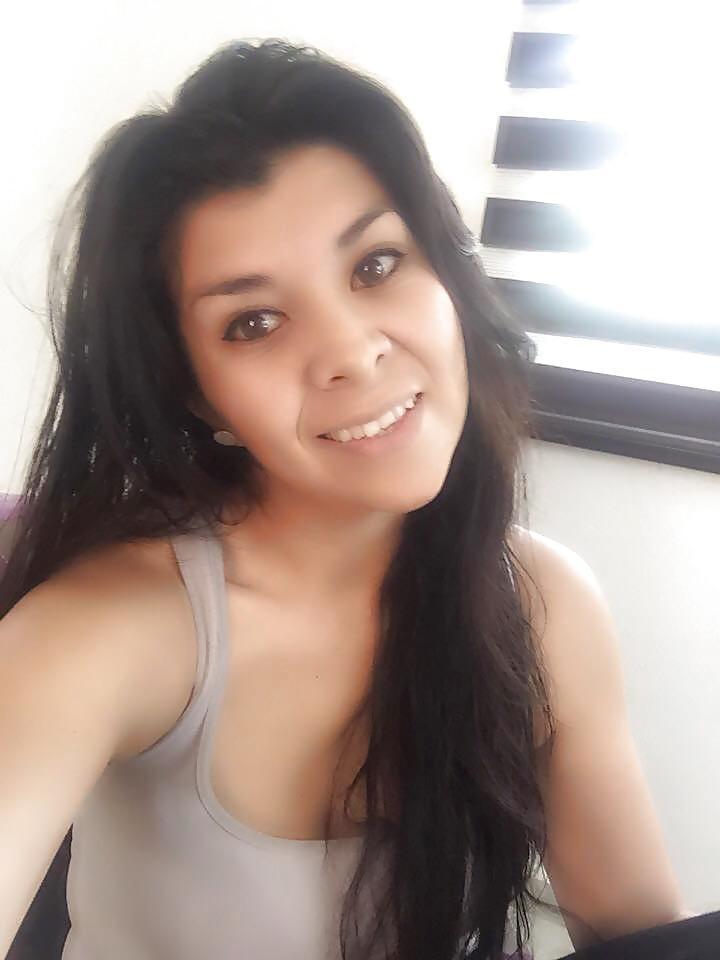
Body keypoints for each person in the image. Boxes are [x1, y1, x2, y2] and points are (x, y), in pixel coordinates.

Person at [0, 37, 710, 960]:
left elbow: (642, 938)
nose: (351, 351)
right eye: (254, 322)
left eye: (376, 265)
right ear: (198, 397)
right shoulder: (111, 628)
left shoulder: (543, 605)